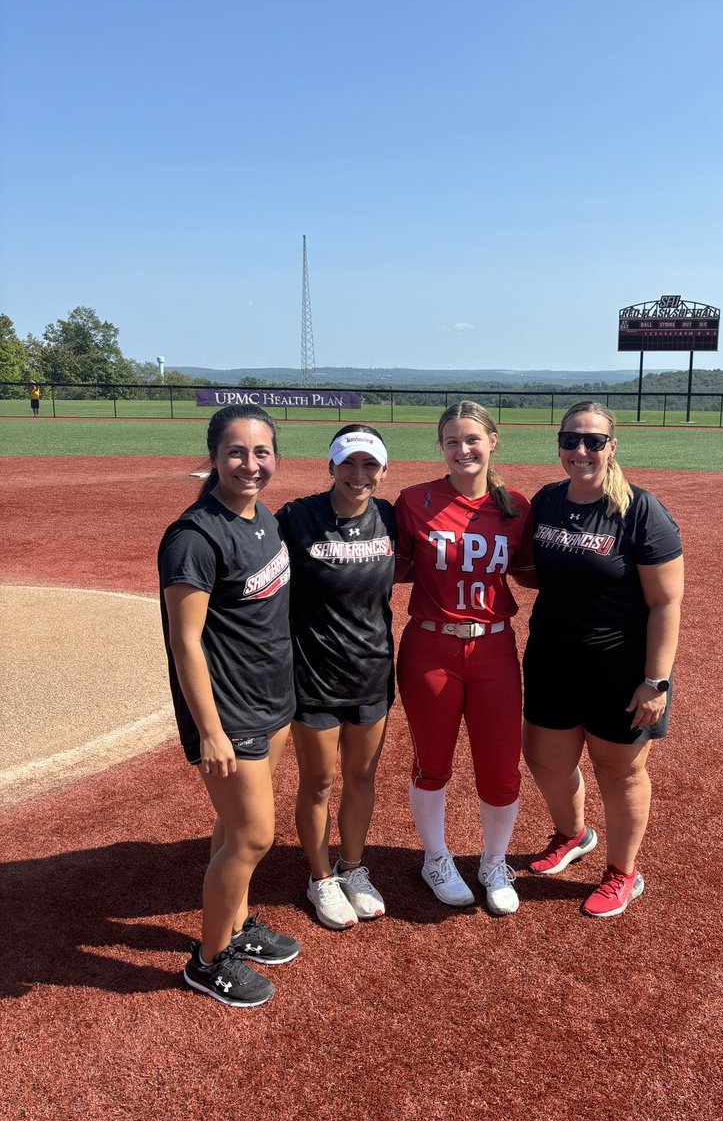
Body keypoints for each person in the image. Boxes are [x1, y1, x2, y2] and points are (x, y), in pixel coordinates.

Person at [158, 404, 299, 1007]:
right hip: (228, 711)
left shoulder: (261, 517)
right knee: (253, 835)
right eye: (236, 452)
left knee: (232, 826)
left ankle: (236, 926)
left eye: (261, 451)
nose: (250, 464)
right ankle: (209, 959)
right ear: (214, 456)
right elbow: (184, 642)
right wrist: (210, 731)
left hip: (271, 700)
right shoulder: (194, 537)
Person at [522, 401, 684, 918]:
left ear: (611, 447)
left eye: (593, 441)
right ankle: (573, 834)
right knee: (544, 758)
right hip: (552, 657)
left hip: (620, 667)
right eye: (571, 440)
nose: (581, 450)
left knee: (619, 772)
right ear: (559, 445)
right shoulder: (547, 501)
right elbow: (535, 569)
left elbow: (665, 602)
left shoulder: (639, 510)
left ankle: (622, 872)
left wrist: (656, 680)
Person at [394, 401, 533, 916]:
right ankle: (435, 858)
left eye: (472, 438)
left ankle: (494, 862)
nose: (462, 449)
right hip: (430, 647)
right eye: (452, 441)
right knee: (432, 764)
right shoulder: (416, 500)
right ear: (441, 447)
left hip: (494, 646)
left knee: (500, 768)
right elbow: (394, 567)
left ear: (493, 441)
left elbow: (532, 571)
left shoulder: (516, 506)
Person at [276, 425, 397, 931]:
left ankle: (353, 867)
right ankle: (321, 876)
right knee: (319, 780)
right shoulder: (297, 517)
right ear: (331, 466)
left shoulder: (389, 517)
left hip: (372, 671)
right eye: (348, 463)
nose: (358, 474)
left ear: (383, 471)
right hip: (314, 674)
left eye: (369, 464)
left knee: (362, 777)